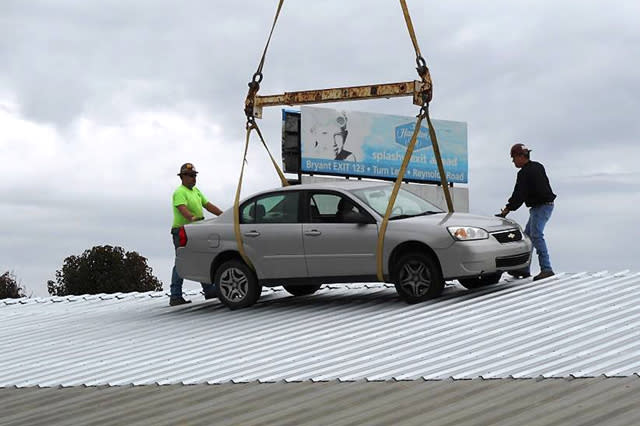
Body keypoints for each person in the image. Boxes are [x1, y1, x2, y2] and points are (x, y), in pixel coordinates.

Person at [498, 143, 556, 281]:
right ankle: (523, 269)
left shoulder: (524, 173)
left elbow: (519, 193)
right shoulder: (538, 166)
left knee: (536, 235)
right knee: (528, 236)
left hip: (540, 207)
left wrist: (507, 209)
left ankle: (546, 269)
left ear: (520, 156)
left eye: (513, 158)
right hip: (545, 206)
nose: (513, 161)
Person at [169, 163, 223, 306]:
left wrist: (224, 215)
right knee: (182, 261)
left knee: (200, 259)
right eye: (191, 176)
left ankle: (209, 290)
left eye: (195, 176)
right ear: (182, 177)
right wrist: (191, 217)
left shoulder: (196, 191)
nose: (194, 179)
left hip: (195, 230)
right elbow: (182, 208)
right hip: (182, 230)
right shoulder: (180, 192)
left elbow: (208, 205)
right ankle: (175, 295)